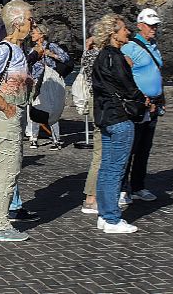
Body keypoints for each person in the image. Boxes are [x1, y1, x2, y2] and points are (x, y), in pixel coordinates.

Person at [0, 0, 35, 242]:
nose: (33, 23)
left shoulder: (18, 49)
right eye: (31, 19)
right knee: (9, 167)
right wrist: (5, 106)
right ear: (17, 22)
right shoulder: (6, 49)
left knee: (5, 167)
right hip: (7, 115)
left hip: (14, 111)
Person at [91, 14, 147, 234]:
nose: (128, 32)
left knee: (107, 168)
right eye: (124, 29)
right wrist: (143, 100)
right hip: (119, 117)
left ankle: (105, 215)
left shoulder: (102, 56)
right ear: (113, 33)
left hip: (106, 116)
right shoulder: (116, 57)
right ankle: (112, 218)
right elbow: (127, 87)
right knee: (115, 169)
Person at [120, 8, 164, 204]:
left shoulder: (154, 46)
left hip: (153, 105)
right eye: (150, 25)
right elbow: (124, 75)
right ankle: (122, 188)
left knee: (144, 148)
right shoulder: (130, 47)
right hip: (138, 105)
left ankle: (138, 186)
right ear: (140, 25)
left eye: (155, 25)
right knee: (130, 147)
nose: (153, 28)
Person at [27, 24, 71, 150]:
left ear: (42, 34)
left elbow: (66, 58)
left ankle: (56, 140)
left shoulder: (51, 46)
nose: (32, 35)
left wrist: (51, 55)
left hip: (49, 81)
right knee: (36, 107)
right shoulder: (33, 49)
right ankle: (34, 138)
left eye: (34, 33)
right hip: (36, 82)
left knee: (51, 108)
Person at [80, 36, 105, 215]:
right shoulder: (96, 55)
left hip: (96, 103)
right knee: (101, 152)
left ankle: (96, 195)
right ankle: (91, 197)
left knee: (101, 152)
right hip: (99, 104)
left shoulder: (89, 53)